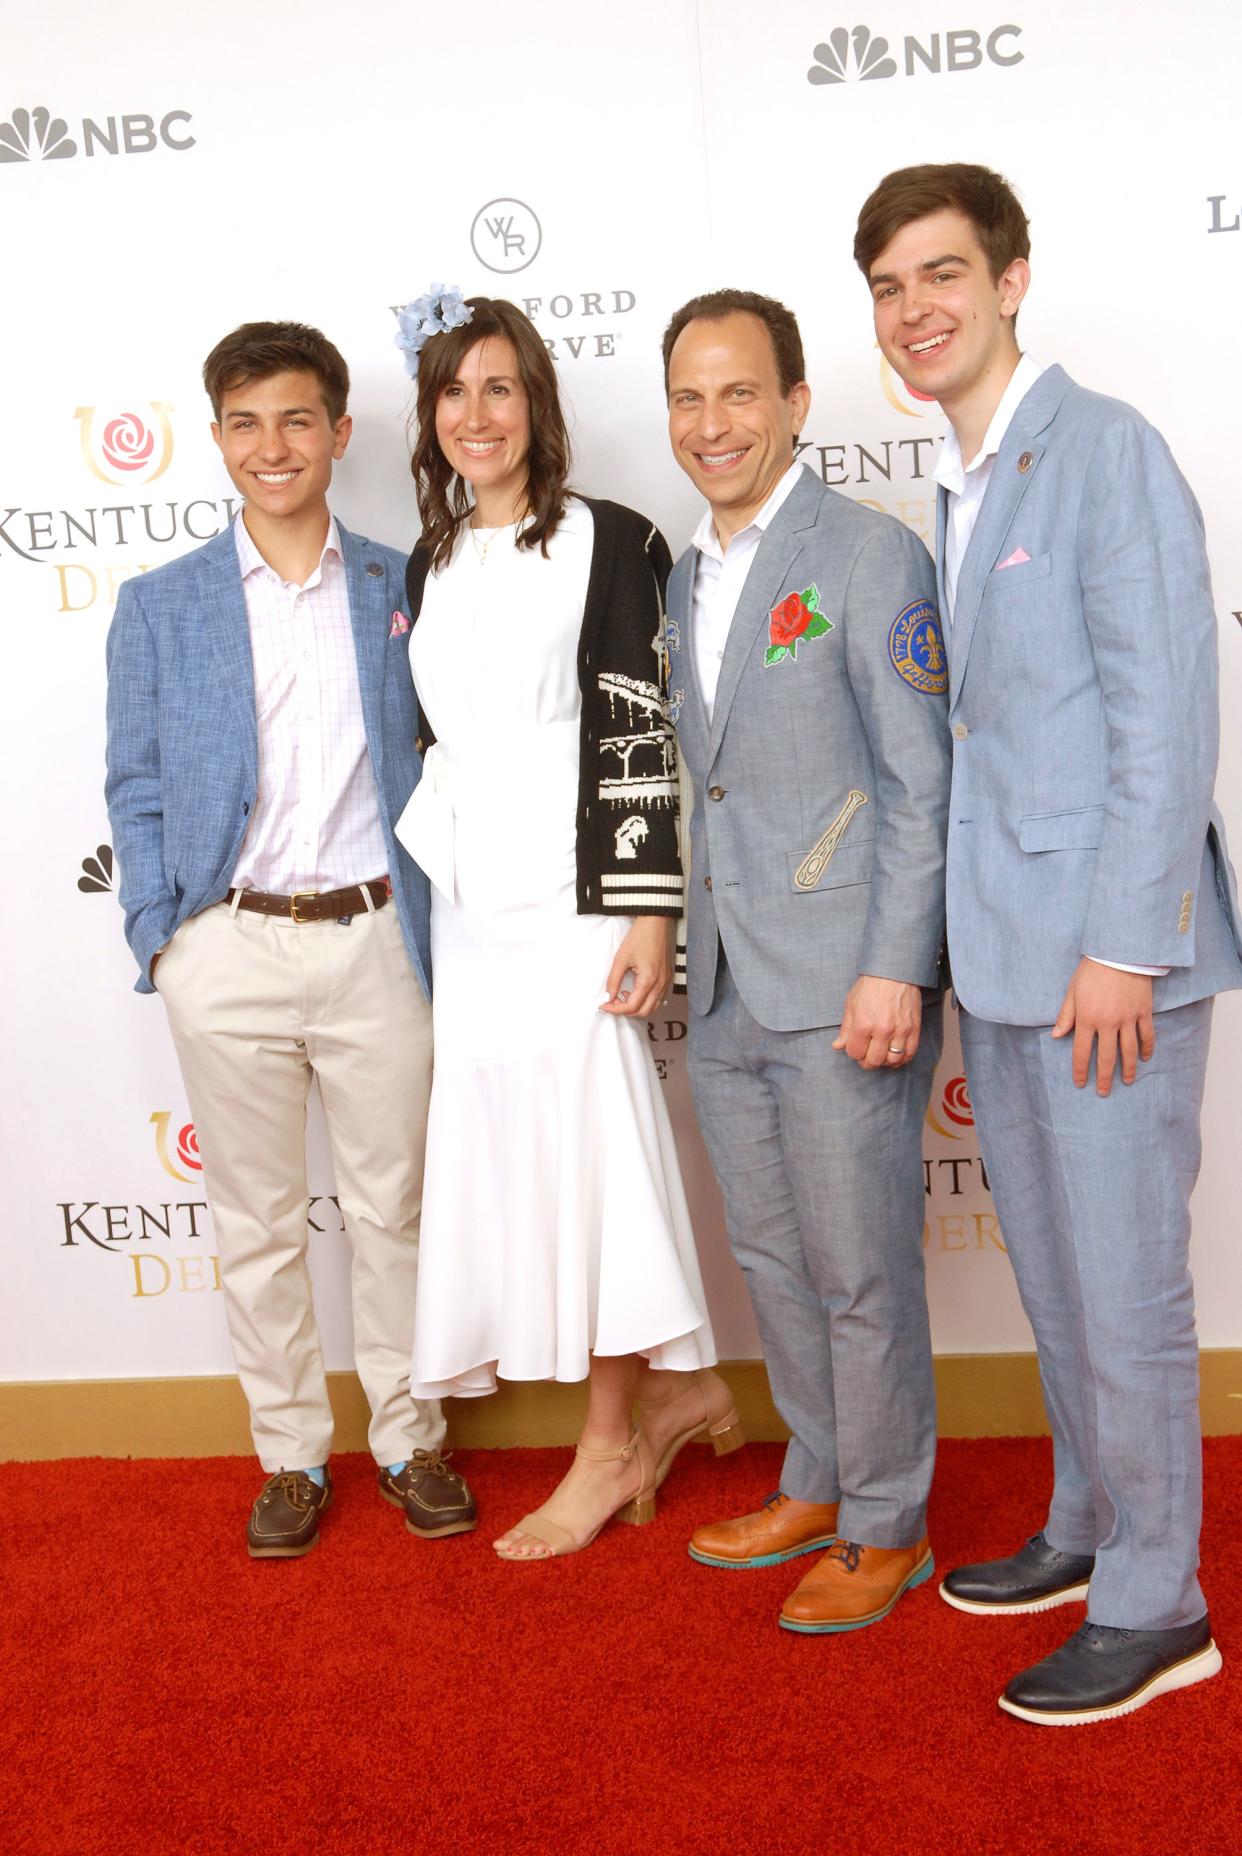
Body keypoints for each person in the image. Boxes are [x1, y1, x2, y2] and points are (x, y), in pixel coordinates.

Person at [856, 161, 1242, 1722]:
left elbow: (1166, 715)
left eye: (941, 274)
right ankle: (1088, 1527)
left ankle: (1161, 1604)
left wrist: (1125, 946)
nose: (915, 309)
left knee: (1130, 1280)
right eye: (887, 286)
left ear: (1012, 279)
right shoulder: (963, 480)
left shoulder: (1104, 451)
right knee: (1066, 1284)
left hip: (1105, 966)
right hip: (1006, 957)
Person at [105, 321, 475, 1557]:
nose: (275, 446)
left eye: (298, 419)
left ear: (339, 433)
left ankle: (412, 1439)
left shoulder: (403, 585)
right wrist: (166, 936)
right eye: (248, 422)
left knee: (396, 1212)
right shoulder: (159, 608)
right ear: (217, 438)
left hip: (379, 940)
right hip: (231, 949)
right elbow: (136, 782)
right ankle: (292, 1456)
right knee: (256, 1223)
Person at [392, 289, 741, 1562]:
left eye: (501, 388)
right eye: (454, 392)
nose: (477, 414)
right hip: (475, 901)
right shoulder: (430, 559)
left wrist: (649, 908)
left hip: (581, 888)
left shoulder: (614, 536)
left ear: (538, 404)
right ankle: (674, 1393)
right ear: (430, 418)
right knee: (522, 1153)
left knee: (593, 1150)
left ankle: (609, 1442)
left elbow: (642, 726)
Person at [660, 289, 952, 1632]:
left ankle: (887, 1522)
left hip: (844, 983)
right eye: (688, 398)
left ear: (793, 403)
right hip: (721, 981)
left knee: (859, 1269)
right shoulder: (680, 573)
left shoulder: (867, 557)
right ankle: (820, 1476)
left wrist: (897, 965)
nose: (711, 424)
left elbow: (918, 782)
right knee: (773, 1261)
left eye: (737, 394)